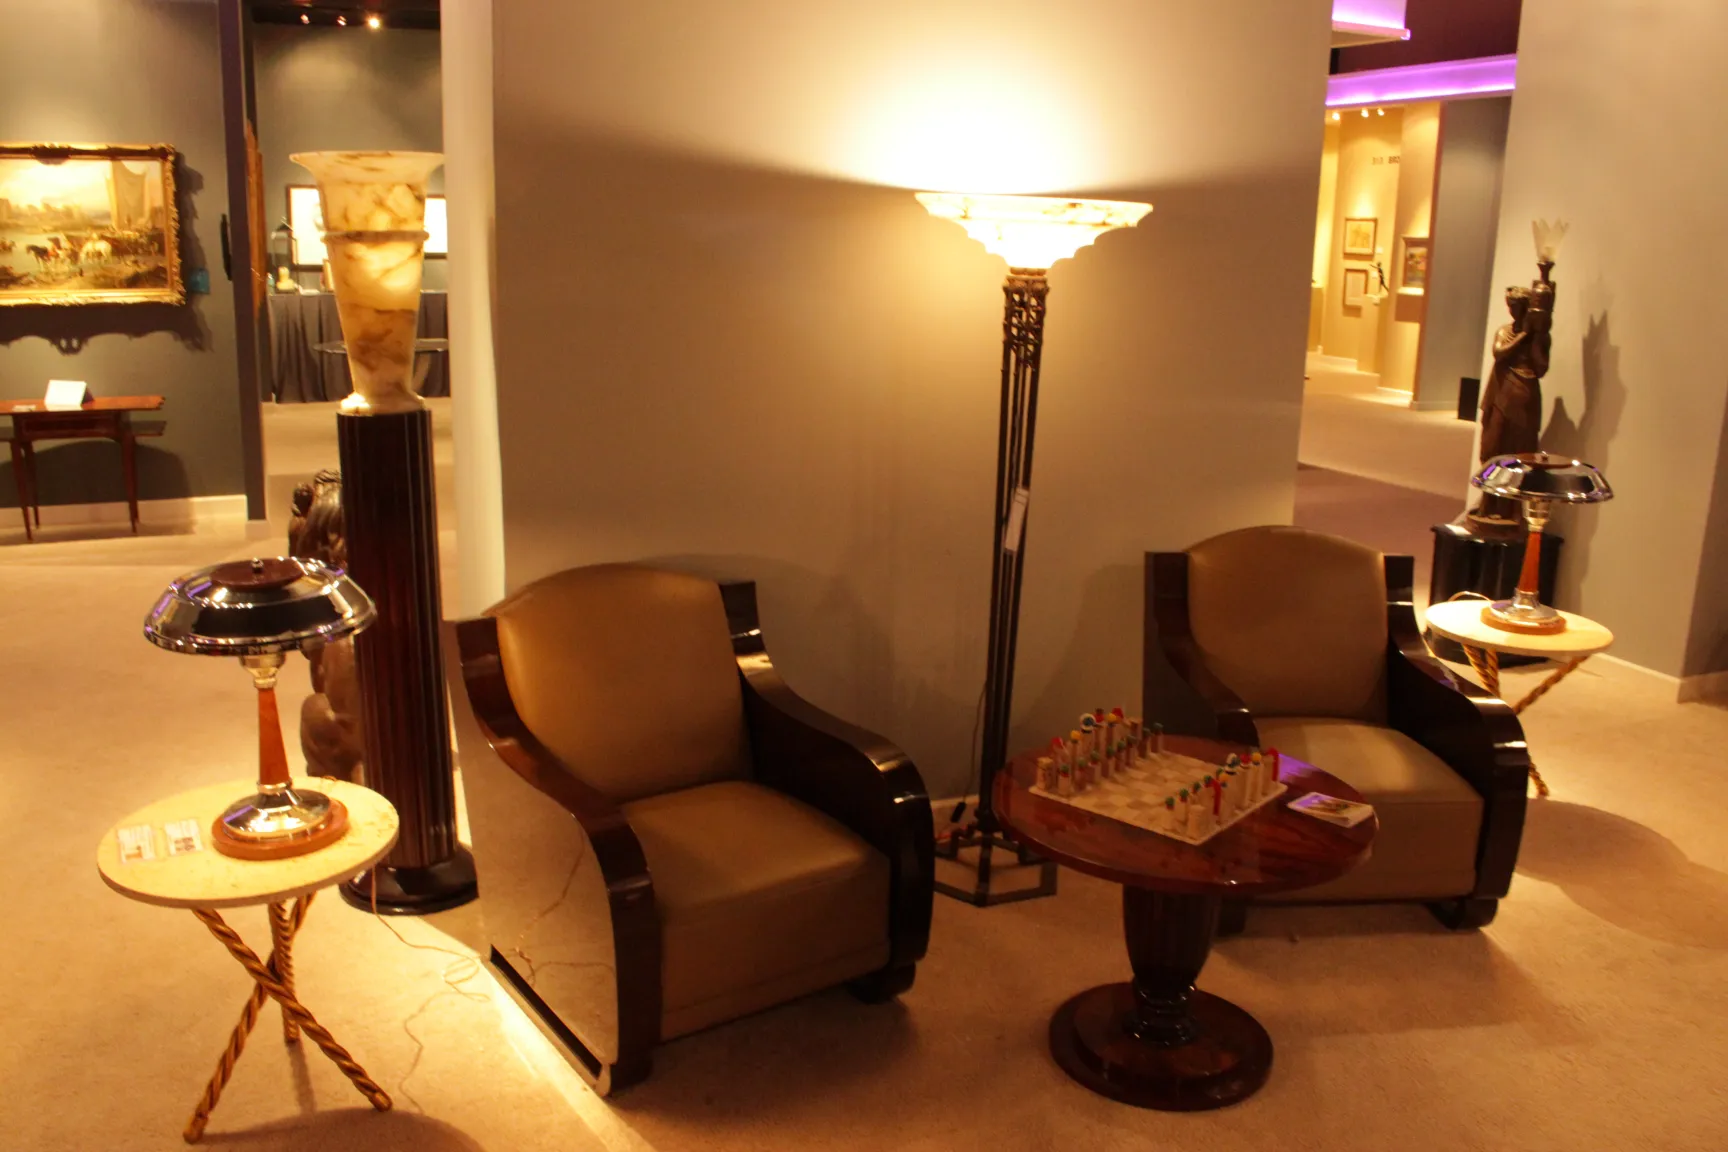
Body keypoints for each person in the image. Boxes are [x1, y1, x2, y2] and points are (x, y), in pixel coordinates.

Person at [1474, 285, 1550, 525]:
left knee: (1518, 454)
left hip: (1524, 397)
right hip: (1501, 395)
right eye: (1509, 306)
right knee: (1492, 449)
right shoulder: (1505, 331)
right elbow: (1500, 353)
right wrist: (1525, 334)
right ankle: (1488, 502)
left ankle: (1512, 508)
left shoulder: (1541, 338)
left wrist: (1536, 338)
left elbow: (1540, 368)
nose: (1512, 311)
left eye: (1516, 307)